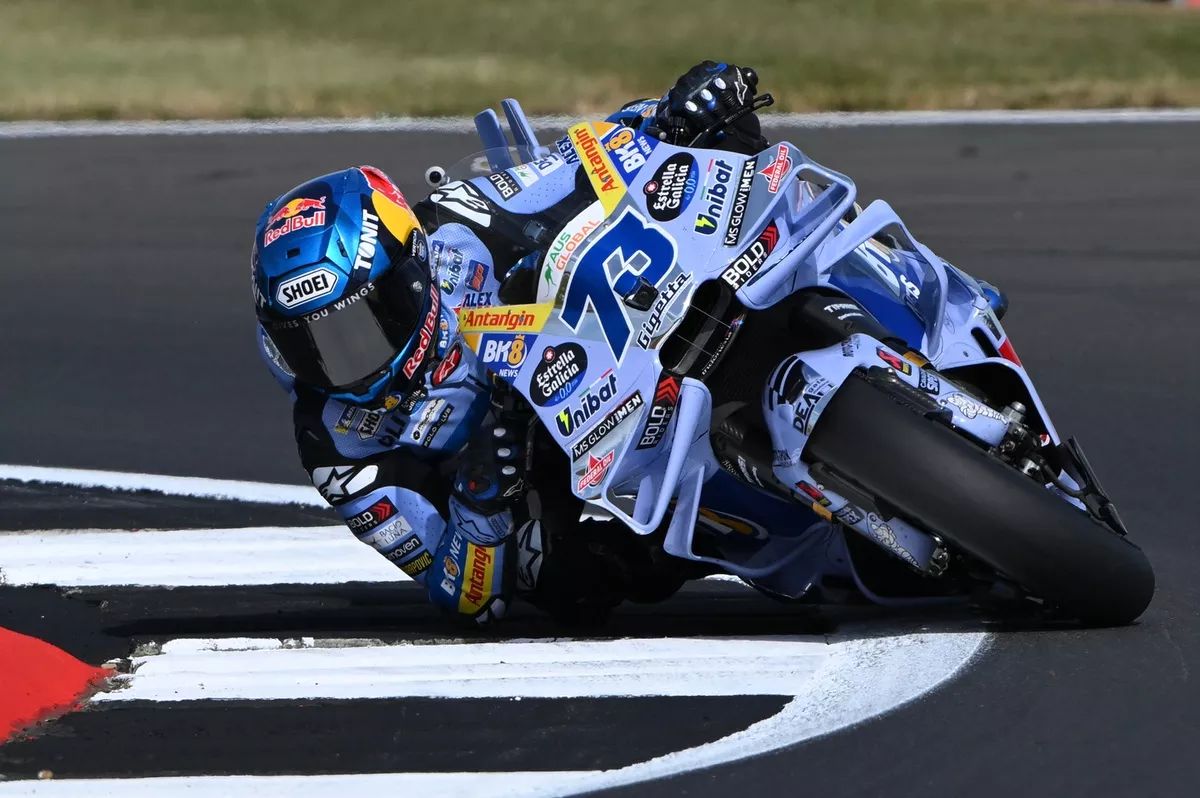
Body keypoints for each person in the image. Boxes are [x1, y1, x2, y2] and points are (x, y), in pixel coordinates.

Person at [251, 62, 768, 626]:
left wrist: (670, 116)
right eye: (313, 344)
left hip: (612, 335)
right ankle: (722, 539)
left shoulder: (457, 225)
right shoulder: (334, 443)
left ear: (413, 270)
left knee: (719, 172)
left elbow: (578, 159)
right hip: (538, 467)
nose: (347, 357)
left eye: (366, 321)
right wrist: (481, 496)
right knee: (553, 576)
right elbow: (464, 596)